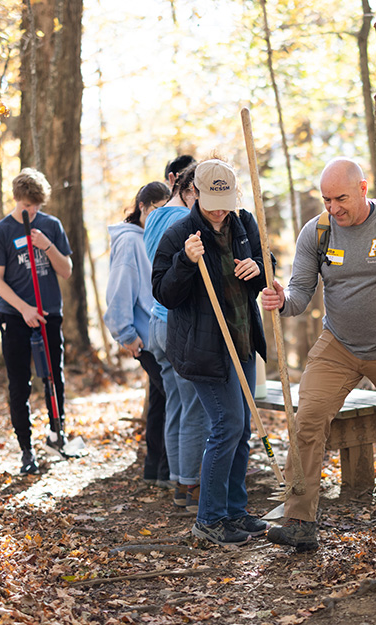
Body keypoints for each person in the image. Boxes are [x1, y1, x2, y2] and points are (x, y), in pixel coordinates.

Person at [261, 158, 376, 552]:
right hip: (339, 344)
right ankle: (299, 520)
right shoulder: (318, 232)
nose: (333, 208)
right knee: (306, 420)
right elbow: (299, 292)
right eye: (326, 200)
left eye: (341, 198)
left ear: (364, 189)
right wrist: (280, 300)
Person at [152, 157, 269, 547]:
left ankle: (235, 510)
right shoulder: (180, 233)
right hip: (203, 348)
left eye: (227, 200)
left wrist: (260, 267)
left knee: (242, 429)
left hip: (242, 340)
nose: (220, 209)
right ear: (195, 193)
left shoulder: (244, 224)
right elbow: (164, 293)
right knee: (226, 426)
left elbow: (267, 265)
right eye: (212, 200)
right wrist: (186, 261)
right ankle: (209, 519)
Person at [0, 168, 76, 475]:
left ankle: (57, 432)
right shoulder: (0, 232)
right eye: (27, 207)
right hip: (16, 316)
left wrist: (46, 246)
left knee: (54, 376)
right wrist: (24, 308)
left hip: (49, 311)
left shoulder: (51, 225)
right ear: (16, 200)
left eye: (36, 206)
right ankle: (26, 448)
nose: (32, 212)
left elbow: (66, 270)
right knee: (19, 383)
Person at [144, 164, 210, 512]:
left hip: (157, 323)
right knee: (193, 408)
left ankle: (176, 481)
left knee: (175, 404)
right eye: (200, 195)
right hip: (176, 322)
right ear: (188, 191)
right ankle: (189, 485)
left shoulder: (153, 216)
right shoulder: (181, 223)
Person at [104, 181, 171, 487]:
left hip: (154, 333)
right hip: (144, 337)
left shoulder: (147, 237)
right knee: (173, 397)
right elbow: (119, 291)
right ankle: (171, 471)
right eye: (155, 210)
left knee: (160, 399)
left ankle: (155, 469)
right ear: (142, 208)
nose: (159, 217)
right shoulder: (131, 242)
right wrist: (126, 334)